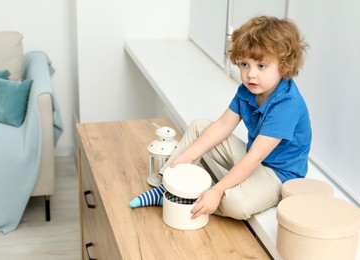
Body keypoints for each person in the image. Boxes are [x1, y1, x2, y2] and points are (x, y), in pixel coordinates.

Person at [131, 15, 312, 221]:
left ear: (284, 65)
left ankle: (183, 200)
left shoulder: (287, 104)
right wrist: (188, 157)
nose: (250, 74)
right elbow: (223, 125)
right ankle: (166, 187)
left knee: (237, 205)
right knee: (201, 126)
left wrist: (217, 191)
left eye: (261, 66)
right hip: (251, 156)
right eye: (244, 64)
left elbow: (256, 157)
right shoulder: (248, 89)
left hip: (278, 176)